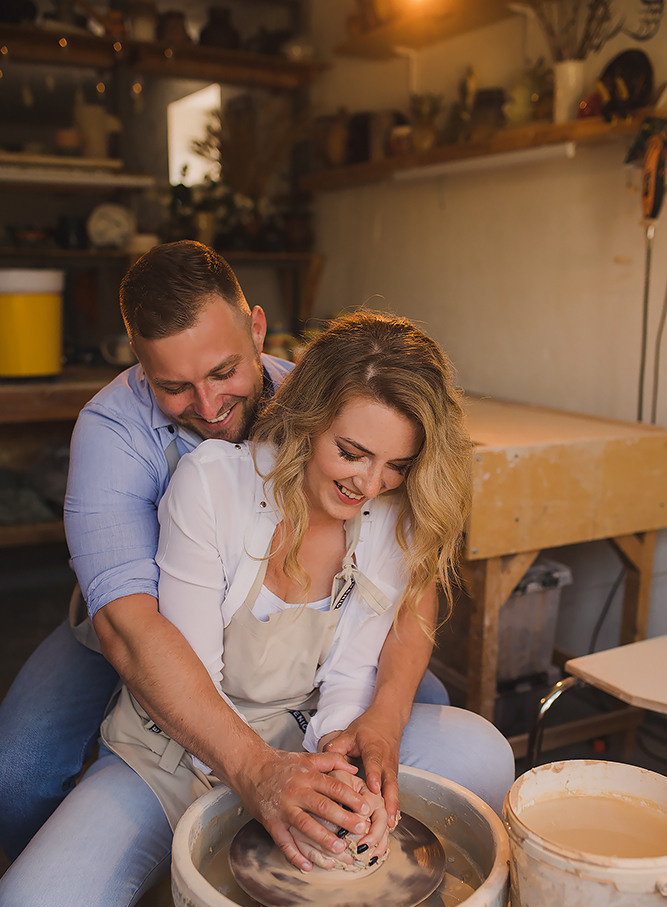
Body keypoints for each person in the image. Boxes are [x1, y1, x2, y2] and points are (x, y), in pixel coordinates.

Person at [0, 311, 514, 907]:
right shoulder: (214, 483)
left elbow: (351, 673)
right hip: (179, 739)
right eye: (352, 452)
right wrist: (261, 783)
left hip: (294, 730)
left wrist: (337, 751)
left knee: (483, 753)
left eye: (397, 464)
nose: (369, 484)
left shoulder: (389, 510)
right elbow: (182, 665)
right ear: (308, 419)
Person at [0, 241, 449, 864]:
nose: (208, 408)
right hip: (132, 631)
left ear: (257, 329)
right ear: (139, 362)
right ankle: (111, 896)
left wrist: (383, 716)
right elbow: (129, 629)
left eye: (223, 373)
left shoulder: (321, 401)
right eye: (174, 387)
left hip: (287, 644)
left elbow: (407, 569)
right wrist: (253, 768)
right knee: (16, 773)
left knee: (428, 706)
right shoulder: (110, 433)